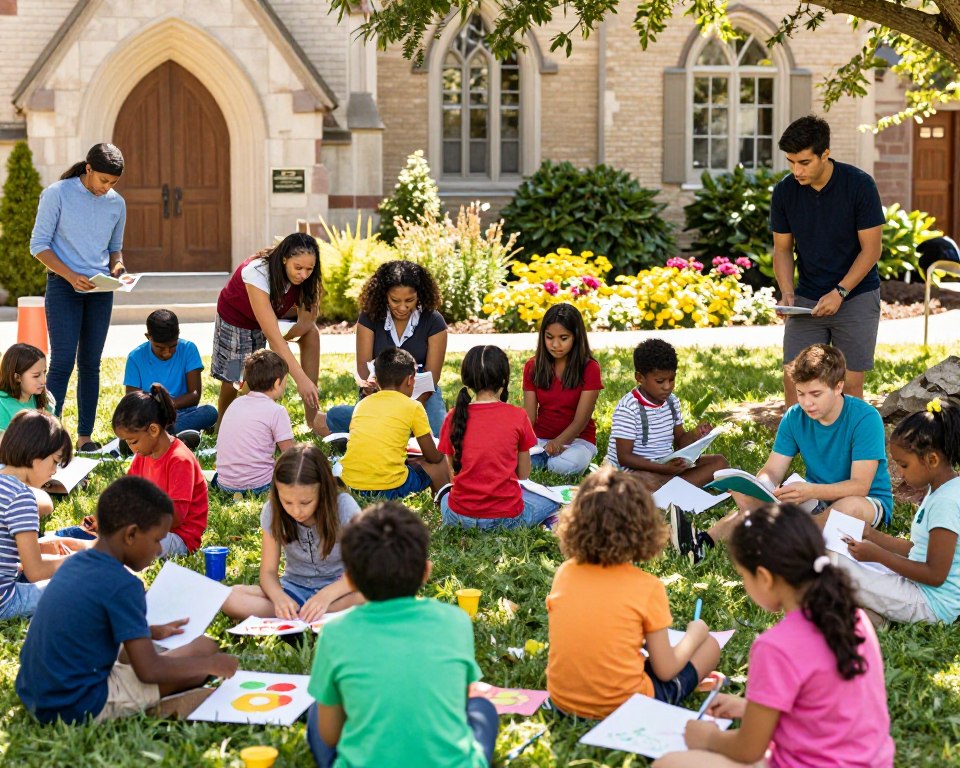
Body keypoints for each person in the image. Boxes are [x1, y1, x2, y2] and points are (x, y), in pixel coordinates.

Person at [653, 504, 894, 768]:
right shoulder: (853, 617)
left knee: (668, 763)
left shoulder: (775, 647)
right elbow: (831, 707)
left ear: (765, 578)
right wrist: (750, 709)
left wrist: (709, 738)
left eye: (744, 577)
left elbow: (748, 750)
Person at [16, 476, 239, 724]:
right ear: (131, 535)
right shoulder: (124, 584)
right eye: (157, 540)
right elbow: (149, 670)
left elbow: (92, 628)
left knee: (200, 648)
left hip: (36, 692)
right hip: (77, 704)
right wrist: (211, 665)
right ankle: (157, 707)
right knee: (204, 653)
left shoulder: (76, 563)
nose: (158, 551)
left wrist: (149, 632)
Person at [305, 501, 498, 768]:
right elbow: (458, 707)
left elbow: (330, 734)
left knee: (318, 709)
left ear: (349, 581)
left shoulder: (335, 634)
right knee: (483, 709)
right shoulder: (455, 621)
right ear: (426, 572)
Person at [684, 344, 893, 558]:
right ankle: (702, 542)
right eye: (800, 393)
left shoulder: (865, 418)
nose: (806, 402)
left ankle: (787, 530)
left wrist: (810, 491)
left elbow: (860, 486)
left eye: (816, 394)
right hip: (816, 499)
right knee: (757, 506)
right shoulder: (794, 416)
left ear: (838, 387)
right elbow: (773, 470)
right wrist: (759, 489)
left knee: (850, 508)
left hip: (866, 501)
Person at [546, 466, 721, 719]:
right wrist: (695, 634)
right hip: (626, 705)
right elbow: (665, 670)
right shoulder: (647, 587)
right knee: (711, 646)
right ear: (644, 529)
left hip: (562, 701)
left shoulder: (565, 573)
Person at [771, 115, 884, 407]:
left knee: (850, 383)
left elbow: (871, 250)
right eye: (791, 162)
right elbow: (782, 248)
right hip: (808, 294)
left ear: (825, 154)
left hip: (856, 293)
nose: (796, 170)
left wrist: (840, 292)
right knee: (795, 375)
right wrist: (786, 292)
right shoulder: (785, 192)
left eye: (804, 162)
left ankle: (849, 446)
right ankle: (800, 446)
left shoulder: (859, 186)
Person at [30, 143, 127, 452]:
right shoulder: (57, 194)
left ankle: (85, 437)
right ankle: (49, 438)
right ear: (88, 169)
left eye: (113, 183)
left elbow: (115, 249)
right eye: (103, 180)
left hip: (99, 291)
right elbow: (39, 245)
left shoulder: (117, 204)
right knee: (61, 363)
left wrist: (119, 268)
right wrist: (71, 275)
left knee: (91, 363)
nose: (107, 188)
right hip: (63, 287)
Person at [838, 399, 960, 626]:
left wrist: (877, 555)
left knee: (831, 565)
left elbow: (935, 574)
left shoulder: (946, 502)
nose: (900, 473)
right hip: (918, 589)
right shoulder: (942, 490)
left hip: (930, 604)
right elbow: (918, 551)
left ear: (931, 460)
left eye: (904, 465)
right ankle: (874, 618)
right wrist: (872, 536)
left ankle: (873, 616)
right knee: (841, 560)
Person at [59, 386, 207, 557]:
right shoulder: (144, 453)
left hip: (178, 538)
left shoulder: (179, 460)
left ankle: (80, 551)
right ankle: (63, 542)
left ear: (153, 430)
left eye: (133, 441)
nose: (131, 448)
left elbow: (174, 518)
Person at [221, 444, 363, 623]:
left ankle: (308, 615)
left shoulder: (343, 506)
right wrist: (279, 599)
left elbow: (366, 567)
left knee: (375, 594)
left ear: (323, 491)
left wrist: (326, 595)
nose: (296, 511)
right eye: (287, 502)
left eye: (306, 502)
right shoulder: (272, 511)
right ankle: (309, 615)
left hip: (339, 590)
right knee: (230, 597)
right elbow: (268, 572)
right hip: (294, 589)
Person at [438, 345, 560, 529]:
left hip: (459, 516)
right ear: (504, 378)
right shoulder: (518, 416)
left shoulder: (452, 416)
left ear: (467, 379)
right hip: (506, 519)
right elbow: (524, 474)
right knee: (551, 500)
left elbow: (452, 474)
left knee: (447, 497)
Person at [324, 260, 448, 437]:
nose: (403, 307)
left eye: (409, 300)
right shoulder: (370, 317)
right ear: (384, 295)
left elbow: (432, 379)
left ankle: (393, 431)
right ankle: (399, 433)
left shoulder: (434, 321)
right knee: (335, 416)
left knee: (436, 435)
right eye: (395, 300)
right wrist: (371, 388)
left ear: (419, 295)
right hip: (379, 393)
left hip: (421, 397)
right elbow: (363, 367)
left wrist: (407, 412)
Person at [212, 232, 322, 433]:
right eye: (298, 268)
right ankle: (223, 421)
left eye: (309, 269)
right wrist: (301, 380)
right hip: (238, 319)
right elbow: (275, 340)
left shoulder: (306, 279)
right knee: (236, 378)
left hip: (270, 316)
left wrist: (291, 337)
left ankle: (313, 419)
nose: (304, 275)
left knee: (311, 334)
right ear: (284, 259)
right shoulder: (258, 271)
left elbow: (306, 322)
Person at [604, 338, 728, 490]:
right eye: (660, 381)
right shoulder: (629, 407)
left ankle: (669, 489)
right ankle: (673, 488)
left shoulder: (672, 402)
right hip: (633, 470)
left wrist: (695, 434)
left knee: (719, 462)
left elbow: (680, 442)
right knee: (642, 481)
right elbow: (624, 458)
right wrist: (664, 469)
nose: (667, 387)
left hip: (666, 466)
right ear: (640, 378)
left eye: (672, 379)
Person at [340, 347, 448, 499]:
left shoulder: (362, 404)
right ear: (410, 380)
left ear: (376, 380)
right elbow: (433, 457)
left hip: (352, 486)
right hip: (390, 488)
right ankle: (445, 506)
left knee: (412, 459)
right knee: (440, 462)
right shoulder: (413, 406)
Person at [0, 411, 78, 620]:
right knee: (82, 582)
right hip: (5, 601)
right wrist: (78, 561)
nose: (54, 471)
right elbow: (35, 571)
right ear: (36, 456)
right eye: (55, 461)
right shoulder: (21, 497)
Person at [523, 303, 603, 476]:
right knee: (512, 457)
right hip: (541, 439)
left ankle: (544, 463)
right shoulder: (532, 366)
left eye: (563, 338)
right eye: (549, 337)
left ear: (576, 337)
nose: (555, 344)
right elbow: (529, 418)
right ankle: (540, 460)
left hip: (577, 441)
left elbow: (580, 421)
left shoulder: (590, 368)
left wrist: (558, 443)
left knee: (565, 465)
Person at [124, 309, 217, 446]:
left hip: (181, 413)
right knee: (130, 419)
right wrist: (157, 411)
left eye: (173, 346)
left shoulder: (188, 349)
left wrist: (168, 405)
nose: (167, 353)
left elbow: (194, 395)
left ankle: (150, 437)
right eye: (160, 347)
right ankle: (174, 436)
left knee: (210, 412)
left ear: (178, 336)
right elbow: (132, 402)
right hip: (149, 415)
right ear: (148, 336)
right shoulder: (135, 357)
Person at [213, 350, 295, 495]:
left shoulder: (235, 403)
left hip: (225, 484)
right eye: (285, 382)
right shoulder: (277, 411)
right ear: (277, 383)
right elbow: (292, 454)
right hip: (260, 487)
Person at [0, 343, 55, 431]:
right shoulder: (2, 405)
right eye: (36, 376)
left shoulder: (45, 399)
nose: (43, 381)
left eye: (44, 373)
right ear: (17, 377)